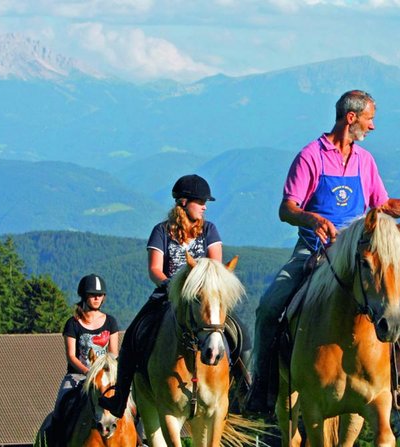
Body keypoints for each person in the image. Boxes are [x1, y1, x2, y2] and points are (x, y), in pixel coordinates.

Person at [246, 90, 400, 411]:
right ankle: (262, 385)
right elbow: (286, 209)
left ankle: (396, 376)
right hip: (315, 250)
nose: (372, 127)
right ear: (351, 118)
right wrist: (311, 217)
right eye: (369, 119)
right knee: (268, 308)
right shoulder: (310, 156)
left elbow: (385, 206)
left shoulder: (364, 160)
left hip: (358, 253)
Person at [105, 174, 251, 417]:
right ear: (183, 202)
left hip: (203, 297)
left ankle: (246, 386)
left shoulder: (209, 230)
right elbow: (154, 269)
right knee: (132, 335)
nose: (205, 206)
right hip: (168, 294)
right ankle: (120, 397)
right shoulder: (161, 231)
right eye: (200, 201)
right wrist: (171, 286)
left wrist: (202, 288)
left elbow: (215, 266)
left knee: (240, 332)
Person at [42, 273, 122, 439]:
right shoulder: (73, 323)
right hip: (78, 375)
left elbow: (113, 352)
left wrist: (107, 374)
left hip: (105, 376)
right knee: (61, 404)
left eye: (100, 295)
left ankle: (138, 439)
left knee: (130, 403)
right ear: (84, 296)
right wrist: (88, 372)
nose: (97, 298)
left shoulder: (110, 322)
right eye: (93, 295)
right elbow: (71, 356)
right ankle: (54, 438)